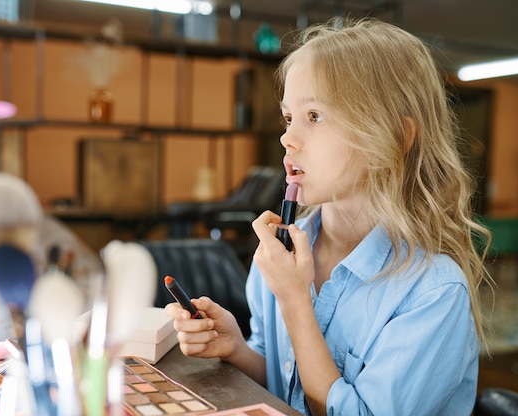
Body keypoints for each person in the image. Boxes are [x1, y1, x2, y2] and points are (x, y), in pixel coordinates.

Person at [165, 17, 492, 416]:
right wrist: (235, 349)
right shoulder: (282, 250)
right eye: (288, 118)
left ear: (396, 137)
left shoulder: (433, 294)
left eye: (315, 116)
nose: (287, 137)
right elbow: (286, 388)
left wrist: (295, 301)